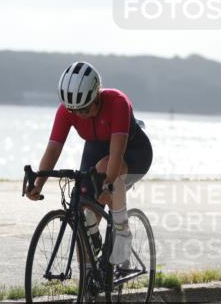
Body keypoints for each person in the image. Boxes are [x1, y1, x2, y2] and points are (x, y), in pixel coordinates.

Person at [26, 61, 153, 268]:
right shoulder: (67, 111)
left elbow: (116, 154)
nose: (79, 115)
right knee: (83, 212)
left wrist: (109, 186)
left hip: (133, 152)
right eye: (73, 110)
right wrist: (38, 183)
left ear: (96, 96)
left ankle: (122, 233)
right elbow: (53, 150)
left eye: (84, 109)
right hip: (96, 149)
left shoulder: (117, 103)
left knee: (105, 173)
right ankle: (88, 278)